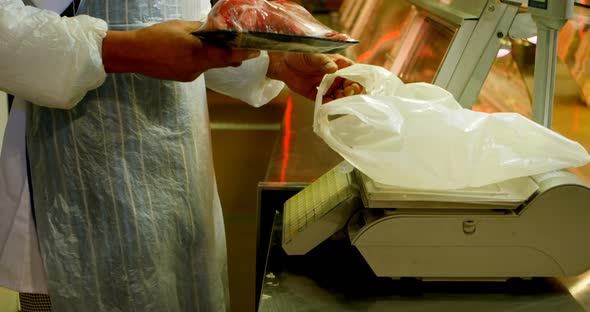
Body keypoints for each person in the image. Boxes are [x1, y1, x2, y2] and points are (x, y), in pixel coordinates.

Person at [0, 0, 353, 311]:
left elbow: (177, 18)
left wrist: (269, 60)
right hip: (71, 189)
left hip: (179, 180)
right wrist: (121, 50)